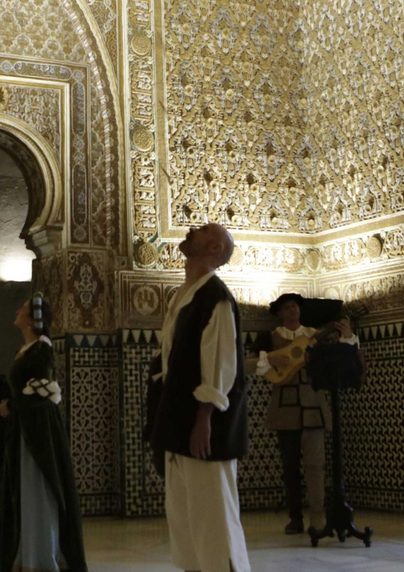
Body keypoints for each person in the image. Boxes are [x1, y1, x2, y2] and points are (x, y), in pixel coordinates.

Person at [152, 222, 249, 572]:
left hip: (202, 426)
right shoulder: (182, 296)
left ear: (214, 248)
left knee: (213, 517)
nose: (193, 229)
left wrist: (204, 419)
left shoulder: (215, 297)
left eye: (204, 229)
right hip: (179, 421)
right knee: (184, 518)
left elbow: (221, 364)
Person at [0, 295, 86, 572]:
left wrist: (11, 405)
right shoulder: (28, 349)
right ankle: (26, 553)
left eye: (22, 309)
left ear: (33, 319)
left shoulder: (42, 349)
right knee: (24, 488)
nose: (17, 310)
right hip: (26, 426)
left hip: (39, 429)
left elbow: (41, 392)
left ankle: (42, 556)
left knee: (38, 487)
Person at [252, 294, 356, 535]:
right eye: (287, 307)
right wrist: (269, 358)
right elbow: (253, 366)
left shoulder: (314, 335)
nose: (293, 311)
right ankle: (295, 517)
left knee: (315, 464)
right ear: (279, 313)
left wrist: (347, 335)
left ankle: (317, 517)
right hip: (284, 407)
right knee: (289, 466)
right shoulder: (270, 338)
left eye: (295, 307)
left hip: (313, 406)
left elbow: (342, 356)